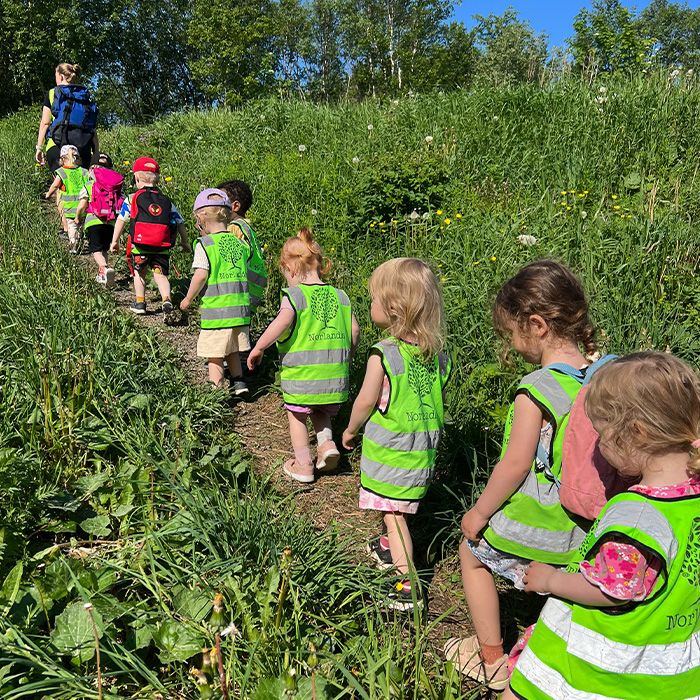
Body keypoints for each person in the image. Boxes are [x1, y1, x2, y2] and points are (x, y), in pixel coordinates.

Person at [505, 352, 700, 699]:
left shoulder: (636, 516)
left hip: (604, 667)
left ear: (636, 434)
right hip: (668, 669)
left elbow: (611, 590)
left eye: (603, 434)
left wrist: (552, 580)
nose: (598, 446)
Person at [444, 260, 596, 690]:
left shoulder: (537, 390)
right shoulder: (603, 377)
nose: (512, 344)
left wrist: (478, 513)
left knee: (472, 554)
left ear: (536, 325)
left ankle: (490, 657)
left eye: (512, 334)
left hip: (542, 518)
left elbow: (515, 465)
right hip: (584, 525)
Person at [342, 258, 451, 611]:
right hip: (422, 453)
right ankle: (390, 546)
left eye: (374, 299)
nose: (370, 304)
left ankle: (408, 583)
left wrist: (351, 429)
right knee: (400, 505)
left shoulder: (384, 355)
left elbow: (364, 401)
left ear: (393, 308)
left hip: (391, 453)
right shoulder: (437, 355)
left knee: (394, 513)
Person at [247, 228, 360, 482]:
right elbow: (354, 329)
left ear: (292, 269)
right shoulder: (340, 296)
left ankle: (303, 463)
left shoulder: (295, 296)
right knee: (321, 411)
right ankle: (327, 444)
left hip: (303, 375)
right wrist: (348, 355)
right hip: (334, 376)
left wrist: (259, 347)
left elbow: (282, 322)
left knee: (297, 415)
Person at [180, 188, 252, 392]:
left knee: (215, 354)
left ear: (202, 218)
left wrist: (188, 298)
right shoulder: (239, 243)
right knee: (233, 349)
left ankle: (216, 388)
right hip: (239, 311)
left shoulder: (205, 244)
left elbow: (201, 275)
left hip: (217, 312)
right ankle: (239, 383)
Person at [110, 157, 191, 318]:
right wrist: (185, 242)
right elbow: (180, 222)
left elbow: (121, 220)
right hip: (162, 245)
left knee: (139, 273)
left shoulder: (132, 198)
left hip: (140, 245)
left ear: (136, 177)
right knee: (160, 274)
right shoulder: (166, 201)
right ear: (158, 180)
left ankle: (140, 303)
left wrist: (114, 241)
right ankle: (166, 300)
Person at [35, 63, 98, 174]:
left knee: (61, 185)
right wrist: (96, 151)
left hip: (56, 146)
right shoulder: (85, 96)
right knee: (81, 187)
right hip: (83, 148)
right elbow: (91, 126)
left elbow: (45, 123)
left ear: (61, 76)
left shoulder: (52, 93)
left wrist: (39, 148)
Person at [217, 180, 268, 310]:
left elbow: (224, 259)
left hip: (238, 293)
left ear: (235, 206)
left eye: (219, 203)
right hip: (252, 290)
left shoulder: (234, 229)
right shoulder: (247, 228)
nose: (215, 207)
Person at [76, 153, 124, 287]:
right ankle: (102, 275)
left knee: (95, 250)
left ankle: (103, 267)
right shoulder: (115, 187)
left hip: (93, 221)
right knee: (103, 249)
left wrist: (77, 216)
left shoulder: (90, 184)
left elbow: (82, 204)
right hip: (111, 223)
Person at [44, 145, 89, 253]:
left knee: (71, 226)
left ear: (62, 159)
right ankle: (80, 241)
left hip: (69, 207)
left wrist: (48, 194)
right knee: (80, 225)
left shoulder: (62, 172)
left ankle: (73, 244)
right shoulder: (84, 171)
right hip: (83, 206)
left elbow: (55, 186)